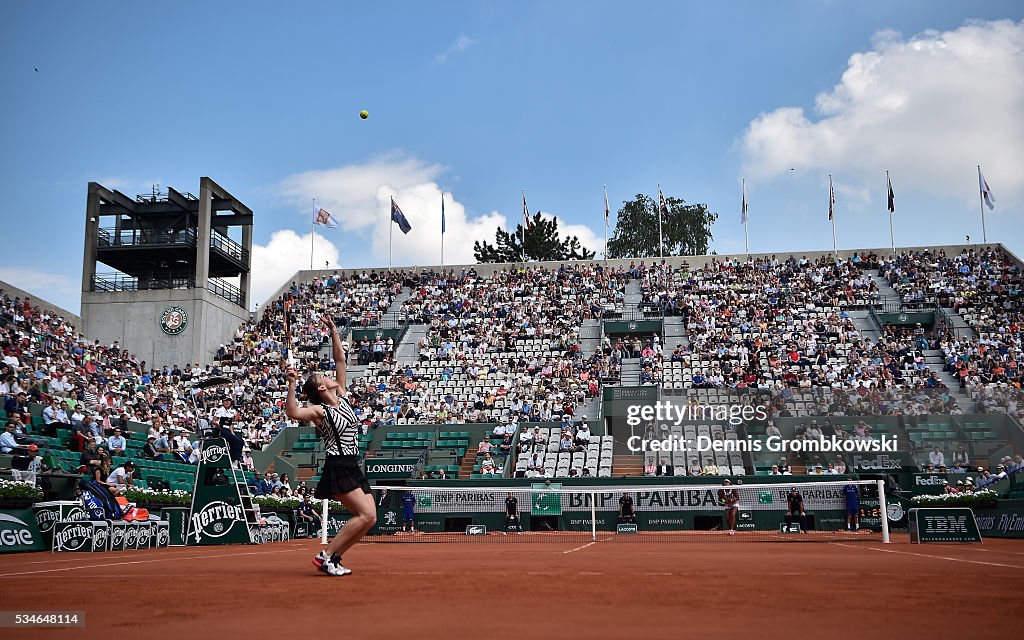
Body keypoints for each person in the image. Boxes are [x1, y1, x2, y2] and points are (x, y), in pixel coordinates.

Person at [287, 315, 375, 577]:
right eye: (325, 376)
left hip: (352, 463)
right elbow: (292, 412)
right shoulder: (319, 411)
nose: (332, 375)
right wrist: (292, 383)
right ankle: (324, 555)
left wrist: (335, 332)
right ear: (322, 387)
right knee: (364, 515)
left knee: (371, 518)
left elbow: (340, 359)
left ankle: (334, 558)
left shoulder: (342, 396)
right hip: (338, 466)